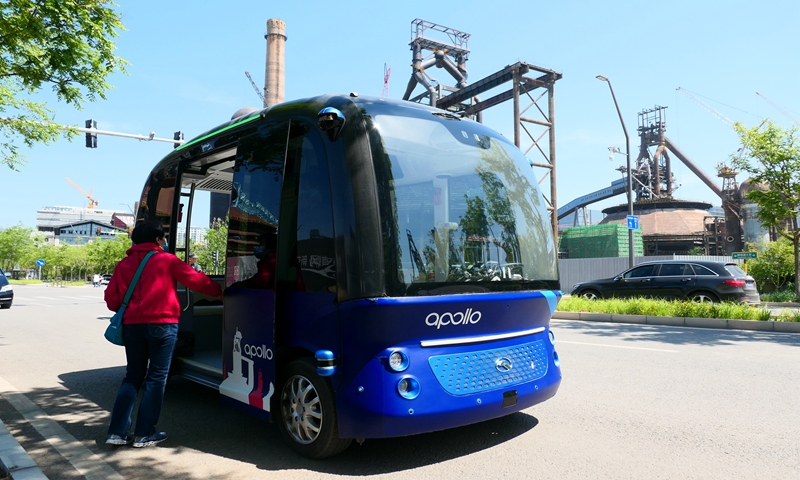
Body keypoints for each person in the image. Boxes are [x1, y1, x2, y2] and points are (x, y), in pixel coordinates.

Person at [104, 220, 222, 448]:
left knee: (132, 376)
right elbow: (196, 281)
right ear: (159, 239)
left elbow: (112, 301)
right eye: (163, 237)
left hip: (131, 326)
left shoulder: (124, 264)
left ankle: (117, 432)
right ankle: (144, 433)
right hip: (162, 325)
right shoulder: (167, 260)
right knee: (157, 378)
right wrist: (220, 292)